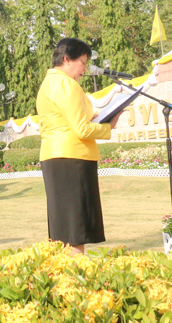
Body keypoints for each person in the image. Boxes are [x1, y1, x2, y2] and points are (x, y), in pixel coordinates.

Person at [36, 38, 121, 255]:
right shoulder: (65, 83)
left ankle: (67, 277)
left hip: (58, 156)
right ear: (66, 59)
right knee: (75, 227)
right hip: (71, 157)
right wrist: (107, 126)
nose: (85, 69)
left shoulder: (50, 82)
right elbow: (81, 129)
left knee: (65, 227)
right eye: (83, 62)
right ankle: (77, 278)